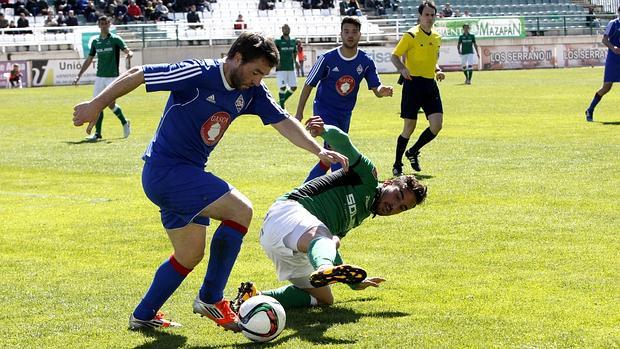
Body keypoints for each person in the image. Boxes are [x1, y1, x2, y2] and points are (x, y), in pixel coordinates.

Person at [72, 32, 349, 331]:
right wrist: (97, 103)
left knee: (189, 254)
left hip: (186, 175)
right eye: (256, 72)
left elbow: (283, 120)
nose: (258, 80)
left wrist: (318, 149)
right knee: (241, 210)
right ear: (237, 58)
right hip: (166, 172)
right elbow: (139, 73)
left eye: (263, 75)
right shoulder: (199, 72)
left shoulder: (253, 91)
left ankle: (143, 315)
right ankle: (212, 299)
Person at [231, 117, 427, 311]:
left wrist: (354, 282)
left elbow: (327, 246)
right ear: (388, 183)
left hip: (293, 242)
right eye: (398, 196)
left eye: (402, 208)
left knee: (324, 299)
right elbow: (345, 144)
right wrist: (324, 130)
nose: (394, 206)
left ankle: (252, 298)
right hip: (286, 213)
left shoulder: (361, 214)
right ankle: (323, 268)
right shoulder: (367, 176)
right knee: (327, 239)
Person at [296, 16, 393, 182]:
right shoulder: (327, 59)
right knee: (336, 155)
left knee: (328, 158)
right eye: (346, 31)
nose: (350, 35)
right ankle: (341, 192)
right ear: (340, 34)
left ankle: (302, 192)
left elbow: (375, 88)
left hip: (345, 114)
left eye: (354, 32)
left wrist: (381, 90)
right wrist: (299, 113)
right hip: (324, 112)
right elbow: (308, 85)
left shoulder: (366, 61)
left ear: (359, 35)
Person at [390, 1, 444, 175]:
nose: (429, 18)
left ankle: (413, 151)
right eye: (426, 14)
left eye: (432, 15)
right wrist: (402, 68)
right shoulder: (411, 35)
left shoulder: (436, 37)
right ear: (420, 16)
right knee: (409, 128)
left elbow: (432, 60)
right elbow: (394, 56)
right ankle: (397, 164)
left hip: (430, 84)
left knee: (436, 125)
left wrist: (437, 70)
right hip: (413, 84)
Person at [73, 16, 132, 141]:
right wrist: (79, 75)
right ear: (98, 25)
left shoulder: (115, 39)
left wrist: (129, 54)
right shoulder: (95, 41)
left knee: (111, 105)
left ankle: (124, 122)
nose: (104, 26)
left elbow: (127, 51)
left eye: (106, 23)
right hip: (100, 77)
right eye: (102, 24)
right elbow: (89, 59)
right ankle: (97, 133)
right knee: (96, 105)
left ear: (109, 24)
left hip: (113, 77)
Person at [585, 5, 620, 122]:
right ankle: (590, 109)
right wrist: (613, 47)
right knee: (606, 87)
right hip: (614, 59)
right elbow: (604, 39)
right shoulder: (613, 23)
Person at [275, 24, 297, 108]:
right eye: (285, 28)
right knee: (283, 87)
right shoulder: (278, 41)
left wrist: (296, 61)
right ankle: (282, 106)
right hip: (281, 68)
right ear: (282, 30)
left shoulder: (293, 40)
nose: (287, 30)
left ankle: (280, 102)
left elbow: (294, 52)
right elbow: (274, 52)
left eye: (288, 28)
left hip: (291, 67)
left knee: (294, 87)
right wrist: (276, 62)